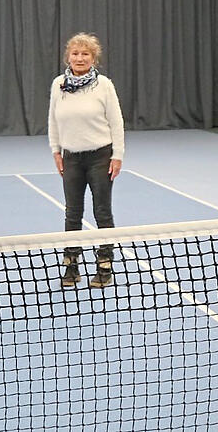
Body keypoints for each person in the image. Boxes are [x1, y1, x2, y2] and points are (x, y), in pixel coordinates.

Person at [48, 32, 125, 288]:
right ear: (67, 57)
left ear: (94, 58)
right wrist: (56, 151)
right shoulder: (58, 85)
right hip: (70, 159)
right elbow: (53, 120)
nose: (80, 58)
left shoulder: (104, 85)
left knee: (102, 212)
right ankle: (71, 267)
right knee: (72, 214)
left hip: (100, 157)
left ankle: (105, 266)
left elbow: (116, 122)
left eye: (85, 54)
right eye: (75, 53)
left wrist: (118, 155)